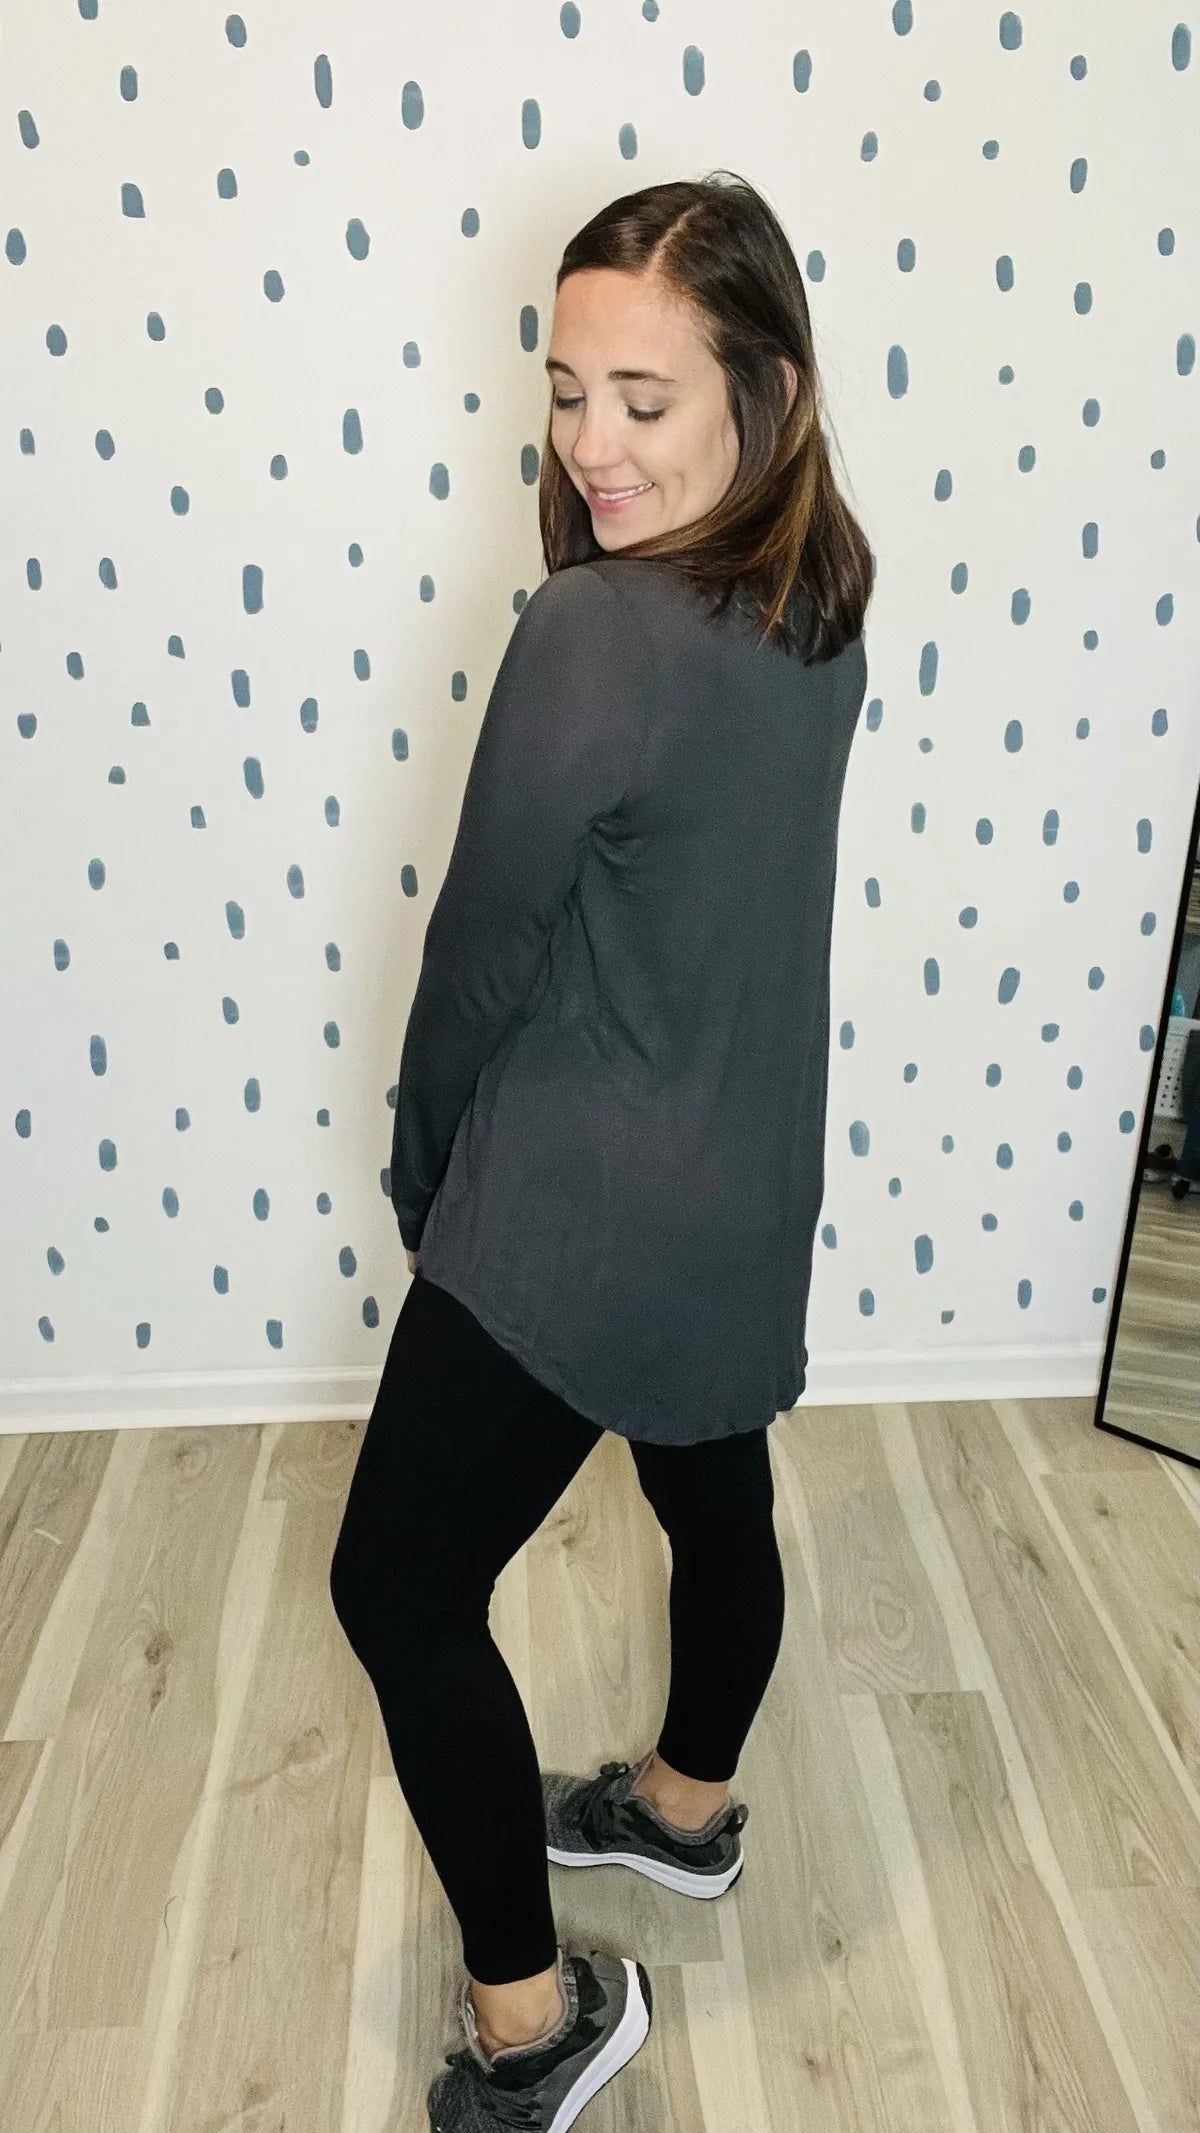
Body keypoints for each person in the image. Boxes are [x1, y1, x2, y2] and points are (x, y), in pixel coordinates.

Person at [329, 168, 873, 2131]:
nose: (591, 442)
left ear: (764, 392)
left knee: (397, 1589)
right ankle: (686, 1810)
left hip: (578, 1209)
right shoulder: (825, 598)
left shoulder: (595, 630)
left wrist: (425, 1168)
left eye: (644, 398)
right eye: (567, 391)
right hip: (744, 1191)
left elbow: (481, 951)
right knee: (715, 1502)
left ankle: (532, 2024)